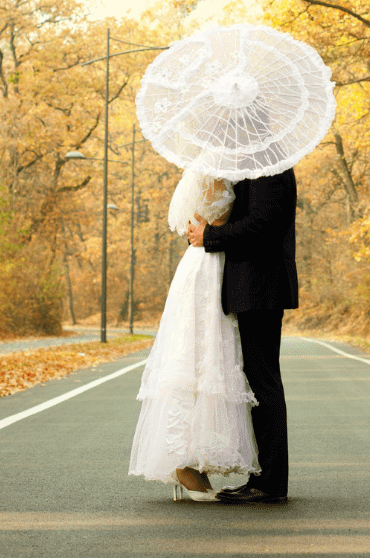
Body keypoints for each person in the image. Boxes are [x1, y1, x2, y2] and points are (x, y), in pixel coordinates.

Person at [128, 169, 259, 500]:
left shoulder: (224, 167)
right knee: (196, 358)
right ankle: (183, 463)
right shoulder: (210, 168)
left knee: (210, 358)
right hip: (207, 265)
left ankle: (192, 462)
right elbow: (214, 217)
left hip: (214, 262)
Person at [186, 166, 297, 506]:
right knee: (258, 381)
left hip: (261, 287)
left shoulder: (271, 165)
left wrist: (212, 238)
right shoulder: (252, 163)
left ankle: (270, 482)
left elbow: (263, 224)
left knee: (263, 382)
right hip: (247, 288)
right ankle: (266, 478)